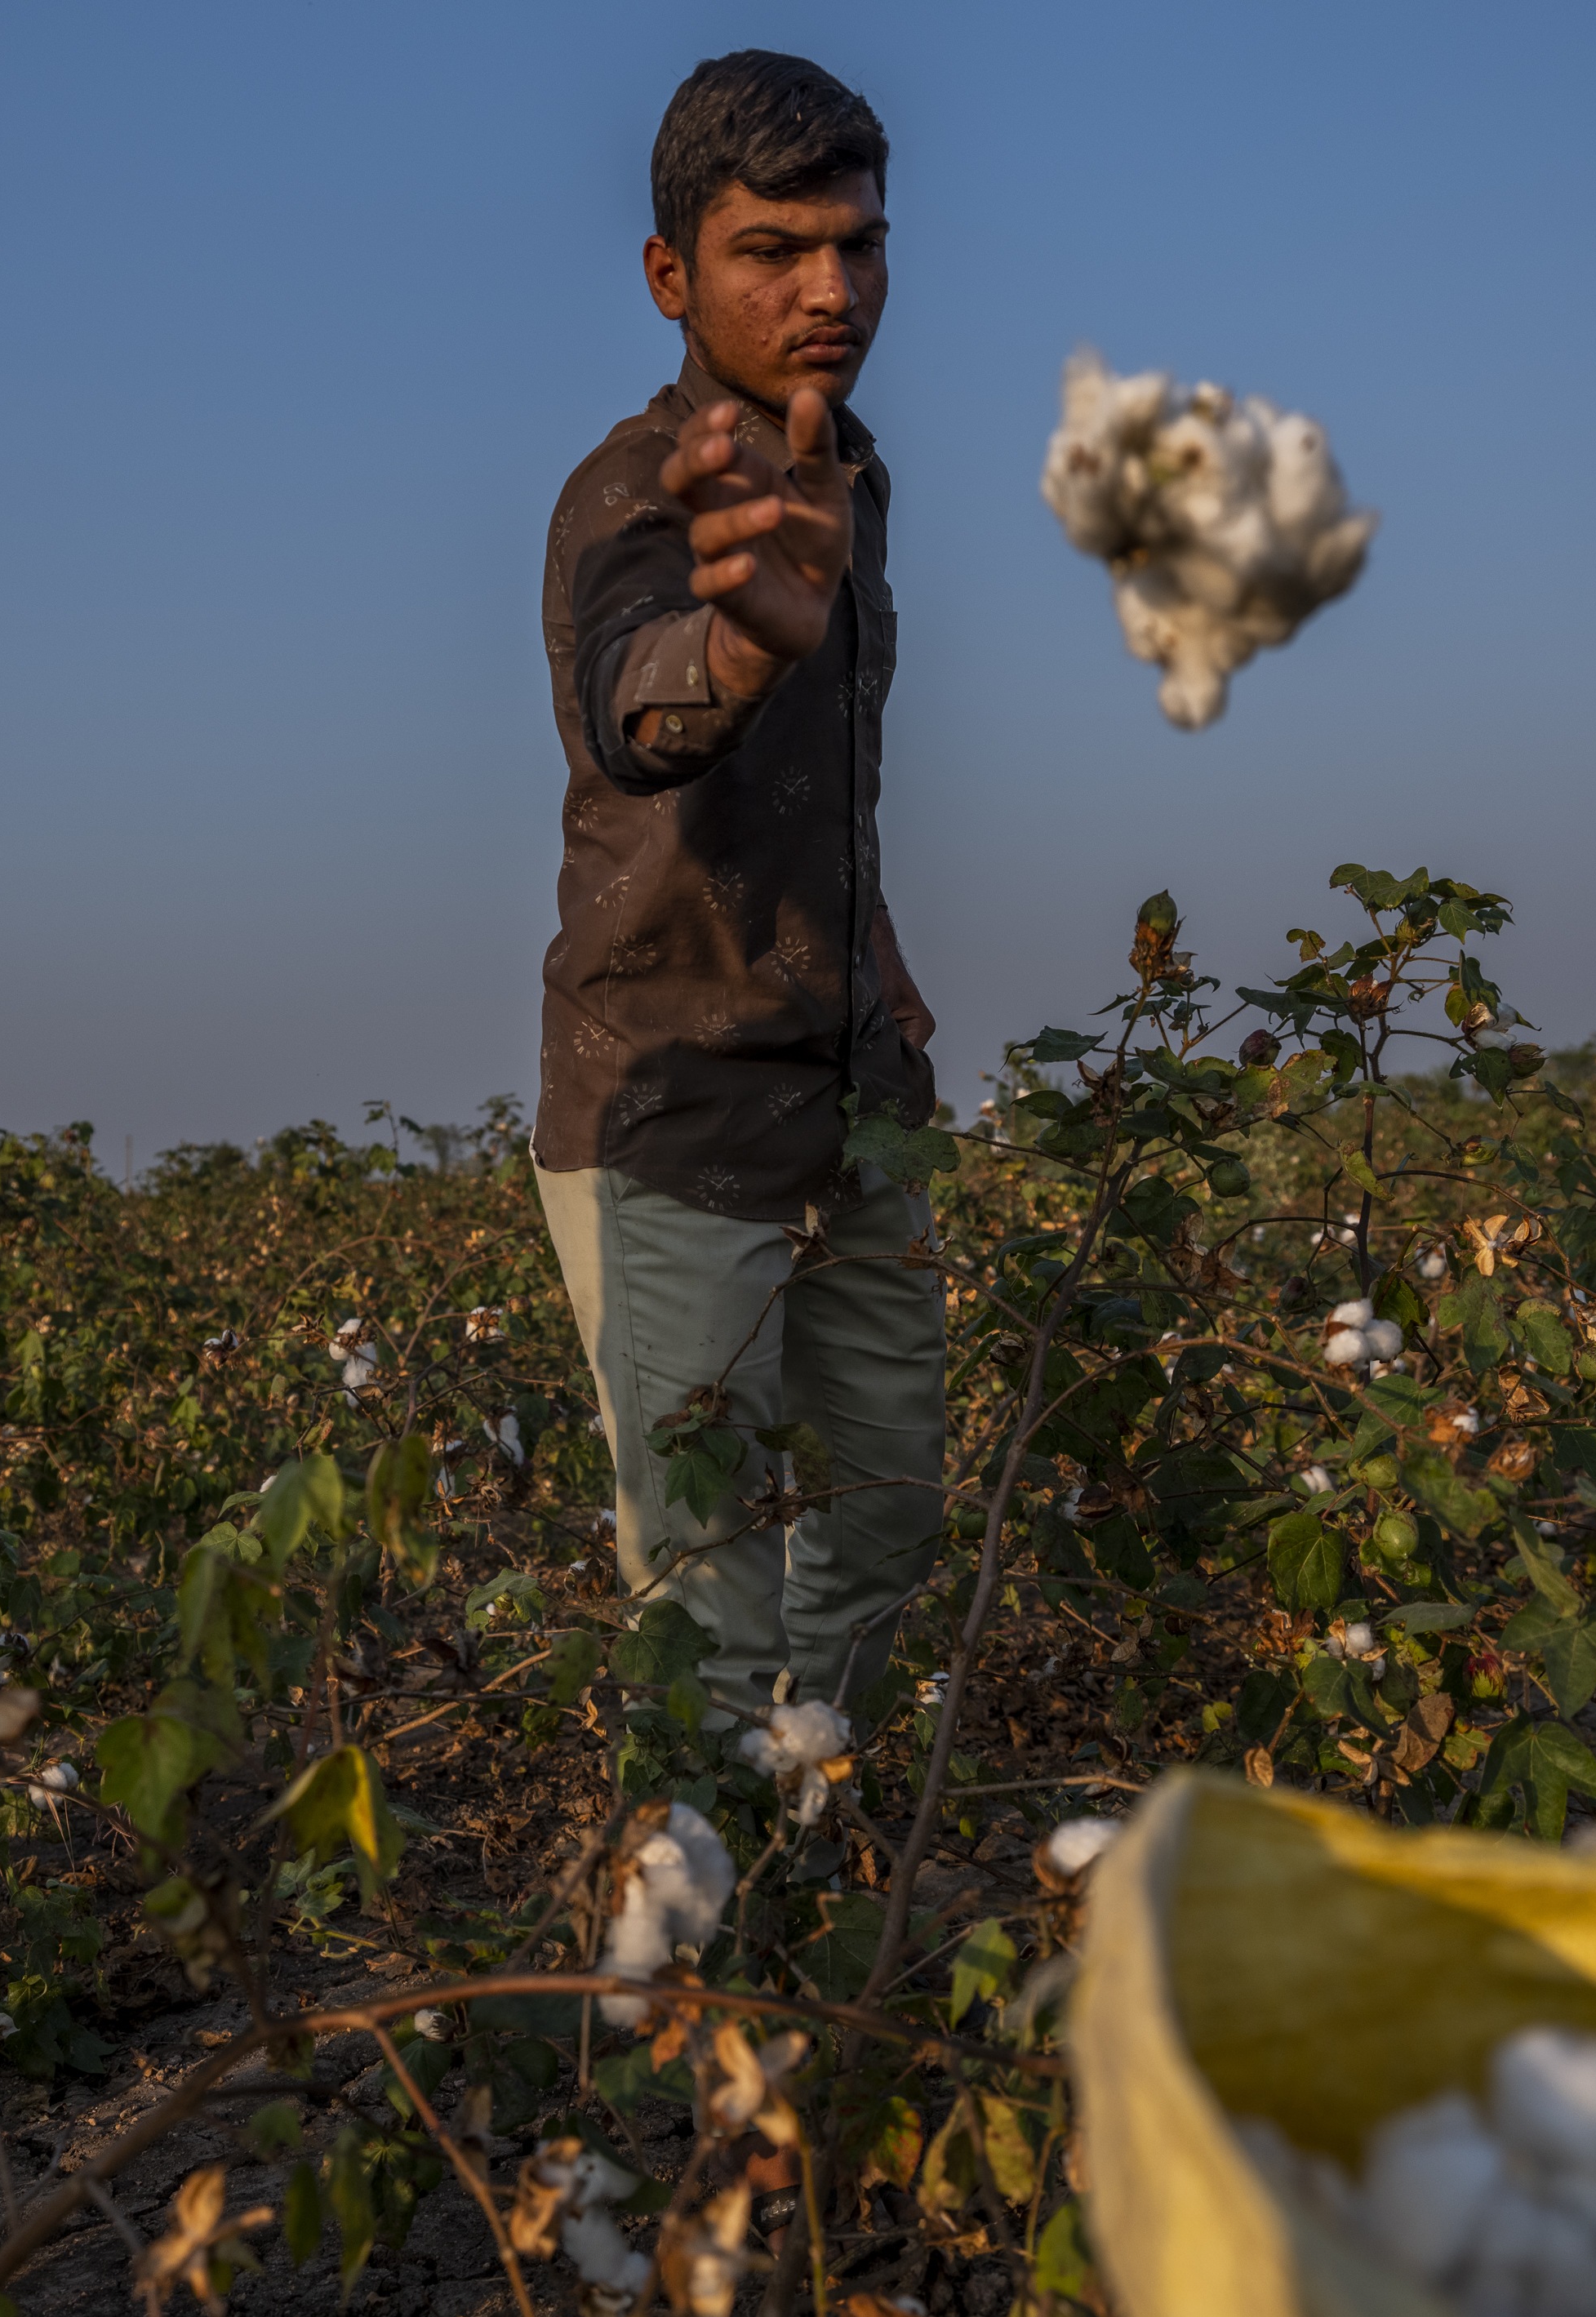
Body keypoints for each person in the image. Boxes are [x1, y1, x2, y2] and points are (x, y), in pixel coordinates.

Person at [531, 51, 944, 1721]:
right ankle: (704, 1966)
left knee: (886, 1530)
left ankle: (817, 1862)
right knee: (712, 1613)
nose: (827, 288)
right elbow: (643, 712)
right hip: (671, 1122)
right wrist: (740, 643)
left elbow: (817, 803)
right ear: (668, 277)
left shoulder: (847, 476)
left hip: (851, 1103)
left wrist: (883, 981)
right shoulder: (636, 500)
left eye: (854, 242)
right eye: (771, 249)